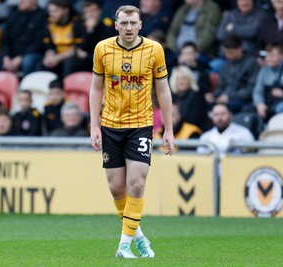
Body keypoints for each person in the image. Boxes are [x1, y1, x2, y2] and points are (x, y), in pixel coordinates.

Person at [89, 5, 174, 259]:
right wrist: (94, 125)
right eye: (123, 23)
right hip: (110, 125)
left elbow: (164, 90)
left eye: (133, 23)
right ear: (116, 25)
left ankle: (123, 246)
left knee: (136, 183)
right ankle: (139, 238)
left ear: (140, 25)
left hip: (141, 124)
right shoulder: (102, 49)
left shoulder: (154, 50)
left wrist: (168, 130)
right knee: (117, 189)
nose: (128, 28)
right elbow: (96, 89)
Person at [206, 36, 259, 114]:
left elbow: (250, 89)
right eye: (226, 53)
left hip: (241, 99)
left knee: (227, 107)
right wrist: (214, 96)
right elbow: (220, 86)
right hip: (224, 97)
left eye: (230, 52)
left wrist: (229, 96)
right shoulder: (225, 65)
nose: (228, 55)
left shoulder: (252, 63)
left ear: (239, 48)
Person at [65, 0, 116, 75]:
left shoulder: (108, 24)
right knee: (70, 63)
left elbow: (108, 50)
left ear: (100, 11)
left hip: (102, 59)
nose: (90, 15)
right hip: (85, 58)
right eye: (87, 12)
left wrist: (88, 56)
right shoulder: (79, 24)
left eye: (93, 11)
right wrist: (89, 31)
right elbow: (80, 49)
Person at [1, 0, 48, 76]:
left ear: (34, 1)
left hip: (32, 54)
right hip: (11, 55)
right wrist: (6, 57)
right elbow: (5, 40)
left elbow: (39, 43)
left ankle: (28, 85)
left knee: (28, 60)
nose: (21, 1)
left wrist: (20, 58)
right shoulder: (13, 14)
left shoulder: (42, 16)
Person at [252, 43, 283, 122]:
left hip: (282, 102)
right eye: (267, 56)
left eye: (272, 56)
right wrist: (259, 103)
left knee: (280, 108)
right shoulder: (263, 70)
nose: (269, 59)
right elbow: (257, 91)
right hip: (267, 102)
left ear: (281, 56)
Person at [42, 0, 79, 77]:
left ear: (65, 10)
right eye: (50, 11)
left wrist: (58, 58)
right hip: (56, 56)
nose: (51, 14)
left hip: (72, 56)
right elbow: (49, 45)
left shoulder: (77, 22)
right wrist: (49, 56)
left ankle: (66, 88)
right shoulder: (49, 23)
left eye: (55, 11)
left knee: (69, 64)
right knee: (42, 63)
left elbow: (78, 49)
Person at [169, 65, 211, 132]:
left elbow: (194, 121)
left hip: (193, 134)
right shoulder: (172, 98)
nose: (181, 81)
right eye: (178, 79)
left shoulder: (197, 97)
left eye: (184, 78)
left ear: (190, 80)